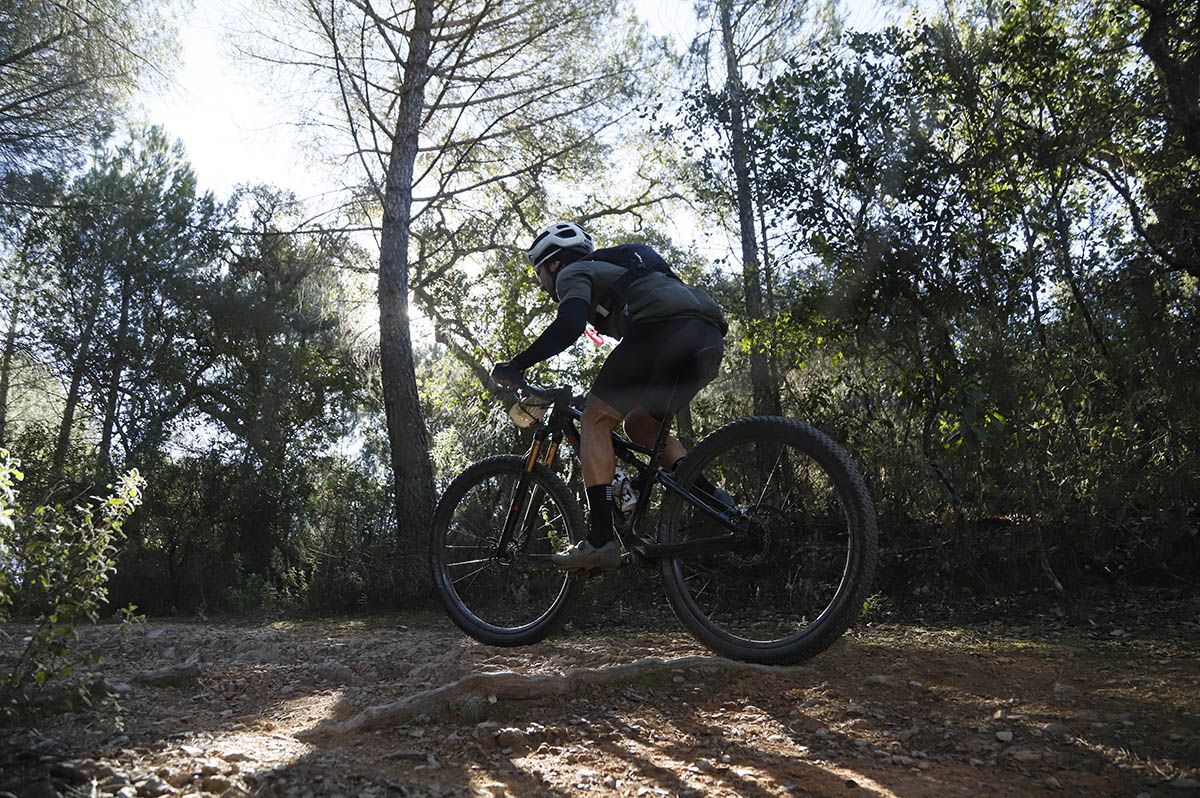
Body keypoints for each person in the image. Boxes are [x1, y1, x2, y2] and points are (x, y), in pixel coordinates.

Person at [491, 221, 728, 570]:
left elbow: (568, 327)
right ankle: (719, 504)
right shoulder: (617, 270)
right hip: (707, 334)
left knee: (594, 421)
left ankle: (601, 539)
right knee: (641, 427)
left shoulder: (573, 273)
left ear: (554, 264)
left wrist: (517, 365)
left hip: (660, 329)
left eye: (539, 272)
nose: (542, 285)